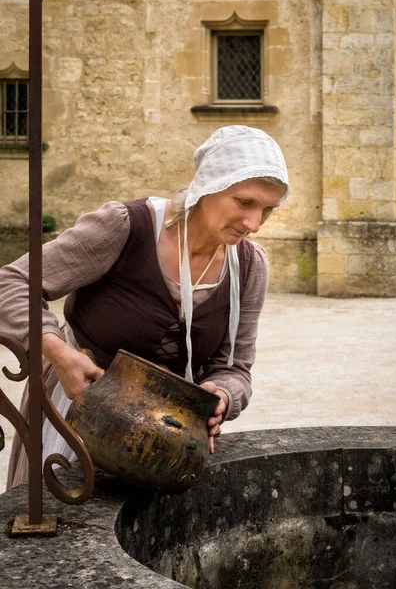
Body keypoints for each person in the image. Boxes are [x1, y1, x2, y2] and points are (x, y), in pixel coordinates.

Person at [0, 125, 290, 489]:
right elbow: (12, 281)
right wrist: (57, 350)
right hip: (76, 407)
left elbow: (235, 367)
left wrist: (222, 395)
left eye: (267, 210)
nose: (254, 224)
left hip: (164, 436)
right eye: (245, 202)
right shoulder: (126, 227)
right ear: (209, 185)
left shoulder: (250, 266)